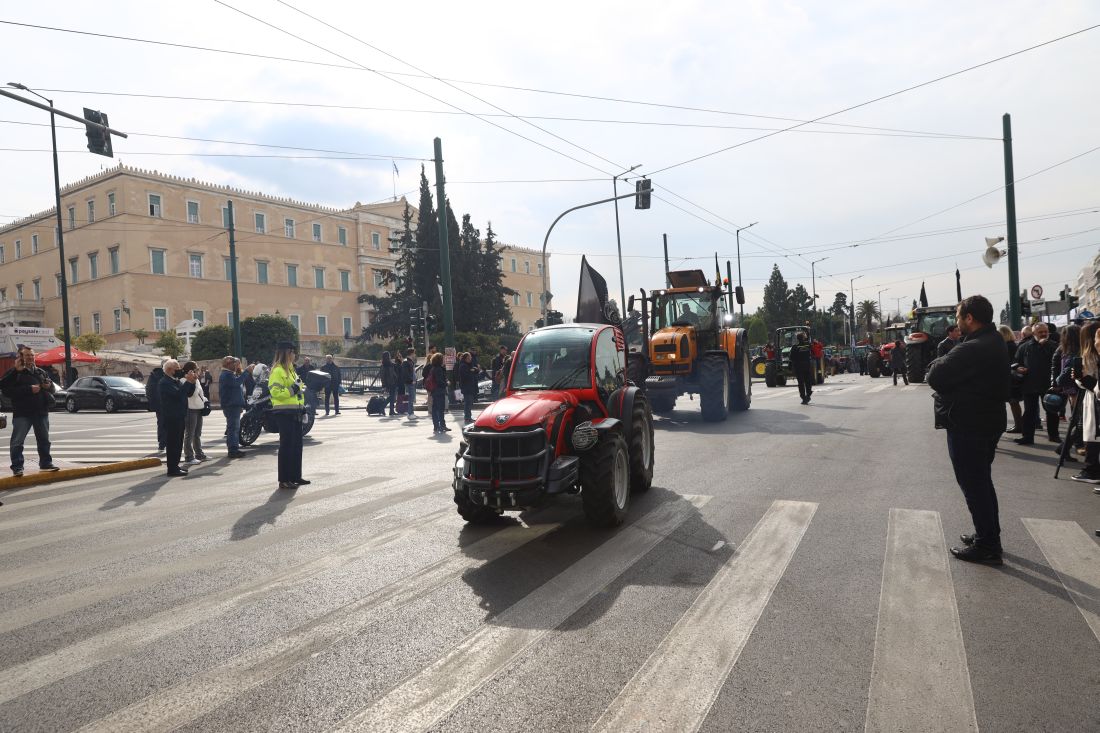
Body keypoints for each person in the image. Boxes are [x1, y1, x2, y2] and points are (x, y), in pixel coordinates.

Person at [926, 295, 1008, 565]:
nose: (957, 322)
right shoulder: (992, 339)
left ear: (970, 318)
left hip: (970, 424)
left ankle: (988, 545)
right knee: (982, 482)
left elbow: (934, 375)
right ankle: (986, 534)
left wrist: (941, 365)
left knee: (974, 484)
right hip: (985, 420)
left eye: (959, 316)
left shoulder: (972, 347)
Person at [0, 345, 60, 476]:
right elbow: (5, 389)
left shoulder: (40, 371)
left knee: (44, 439)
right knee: (17, 441)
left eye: (32, 355)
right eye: (27, 355)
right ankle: (17, 467)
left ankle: (45, 463)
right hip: (23, 412)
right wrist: (28, 389)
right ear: (20, 357)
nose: (31, 358)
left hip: (41, 411)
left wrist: (48, 386)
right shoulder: (14, 373)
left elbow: (53, 390)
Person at [269, 341, 307, 489]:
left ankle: (295, 476)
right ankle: (284, 479)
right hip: (284, 412)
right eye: (293, 352)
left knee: (297, 446)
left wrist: (302, 409)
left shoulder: (291, 370)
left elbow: (298, 390)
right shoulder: (277, 371)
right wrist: (293, 389)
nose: (295, 355)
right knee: (286, 446)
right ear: (286, 353)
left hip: (295, 411)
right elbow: (276, 392)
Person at [1013, 321, 1057, 446]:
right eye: (1040, 332)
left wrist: (1046, 345)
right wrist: (1018, 368)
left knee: (1051, 410)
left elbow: (1058, 361)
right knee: (1029, 412)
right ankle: (1027, 437)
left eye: (1045, 332)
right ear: (1033, 333)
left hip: (1048, 384)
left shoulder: (1053, 345)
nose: (1043, 334)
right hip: (1029, 384)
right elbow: (1015, 362)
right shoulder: (1024, 347)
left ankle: (1054, 435)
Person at [1071, 322, 1100, 484]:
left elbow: (1093, 384)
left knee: (1092, 433)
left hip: (1094, 399)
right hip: (1092, 397)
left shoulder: (1090, 355)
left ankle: (1092, 470)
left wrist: (1080, 378)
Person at [158, 359, 196, 477]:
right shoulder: (165, 382)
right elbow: (178, 395)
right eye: (177, 369)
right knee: (173, 443)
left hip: (179, 416)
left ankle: (176, 466)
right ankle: (172, 468)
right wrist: (188, 382)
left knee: (178, 443)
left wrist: (192, 382)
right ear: (170, 370)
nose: (180, 371)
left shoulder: (175, 381)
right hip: (171, 417)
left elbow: (188, 393)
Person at [220, 356, 248, 458]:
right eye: (234, 363)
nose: (236, 365)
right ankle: (233, 450)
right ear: (228, 364)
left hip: (233, 405)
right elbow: (237, 383)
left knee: (233, 428)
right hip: (231, 406)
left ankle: (233, 448)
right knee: (233, 429)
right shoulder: (227, 374)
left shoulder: (228, 374)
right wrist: (246, 372)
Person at [182, 360, 209, 465]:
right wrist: (192, 381)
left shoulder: (195, 379)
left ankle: (199, 454)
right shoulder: (186, 379)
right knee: (190, 433)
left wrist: (205, 401)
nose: (197, 370)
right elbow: (190, 394)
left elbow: (200, 393)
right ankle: (189, 456)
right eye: (196, 368)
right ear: (191, 370)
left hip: (198, 408)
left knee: (197, 433)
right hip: (190, 408)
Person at [998, 325, 1023, 433]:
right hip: (1014, 377)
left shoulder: (1005, 346)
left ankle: (1018, 426)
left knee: (1013, 402)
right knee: (1014, 402)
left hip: (1009, 378)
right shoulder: (1013, 345)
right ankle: (1019, 425)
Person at [426, 352, 449, 433]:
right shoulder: (439, 369)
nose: (444, 360)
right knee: (440, 409)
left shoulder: (433, 368)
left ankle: (436, 426)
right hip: (439, 391)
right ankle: (442, 426)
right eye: (442, 358)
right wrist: (446, 383)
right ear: (440, 360)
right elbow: (439, 381)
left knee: (435, 409)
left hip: (434, 391)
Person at [789, 332, 814, 404]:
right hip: (807, 366)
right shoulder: (808, 345)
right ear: (804, 338)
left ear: (797, 338)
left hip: (798, 367)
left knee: (801, 383)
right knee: (808, 381)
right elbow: (812, 352)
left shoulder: (795, 347)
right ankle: (808, 394)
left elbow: (791, 357)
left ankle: (803, 398)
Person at [146, 362, 166, 452]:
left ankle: (168, 443)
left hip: (172, 405)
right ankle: (162, 444)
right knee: (162, 424)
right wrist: (154, 404)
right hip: (161, 405)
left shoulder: (174, 375)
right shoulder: (155, 375)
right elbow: (149, 390)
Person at [457, 351, 479, 423]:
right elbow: (466, 376)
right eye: (469, 358)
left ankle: (468, 417)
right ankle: (467, 417)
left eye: (471, 357)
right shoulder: (463, 365)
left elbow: (476, 370)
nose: (470, 359)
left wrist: (474, 370)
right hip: (466, 387)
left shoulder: (469, 365)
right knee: (468, 402)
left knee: (469, 402)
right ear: (466, 358)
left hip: (470, 386)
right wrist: (472, 371)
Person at [379, 351, 398, 416]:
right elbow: (392, 374)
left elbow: (382, 376)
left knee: (392, 397)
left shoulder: (384, 365)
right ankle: (383, 407)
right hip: (391, 383)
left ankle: (391, 410)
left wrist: (383, 384)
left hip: (389, 383)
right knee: (391, 397)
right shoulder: (390, 365)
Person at [402, 349, 417, 418]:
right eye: (414, 353)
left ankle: (411, 413)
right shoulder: (406, 362)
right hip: (410, 382)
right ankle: (410, 413)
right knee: (411, 397)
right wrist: (411, 381)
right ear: (411, 353)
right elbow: (405, 373)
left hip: (412, 382)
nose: (415, 354)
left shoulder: (410, 361)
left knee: (412, 397)